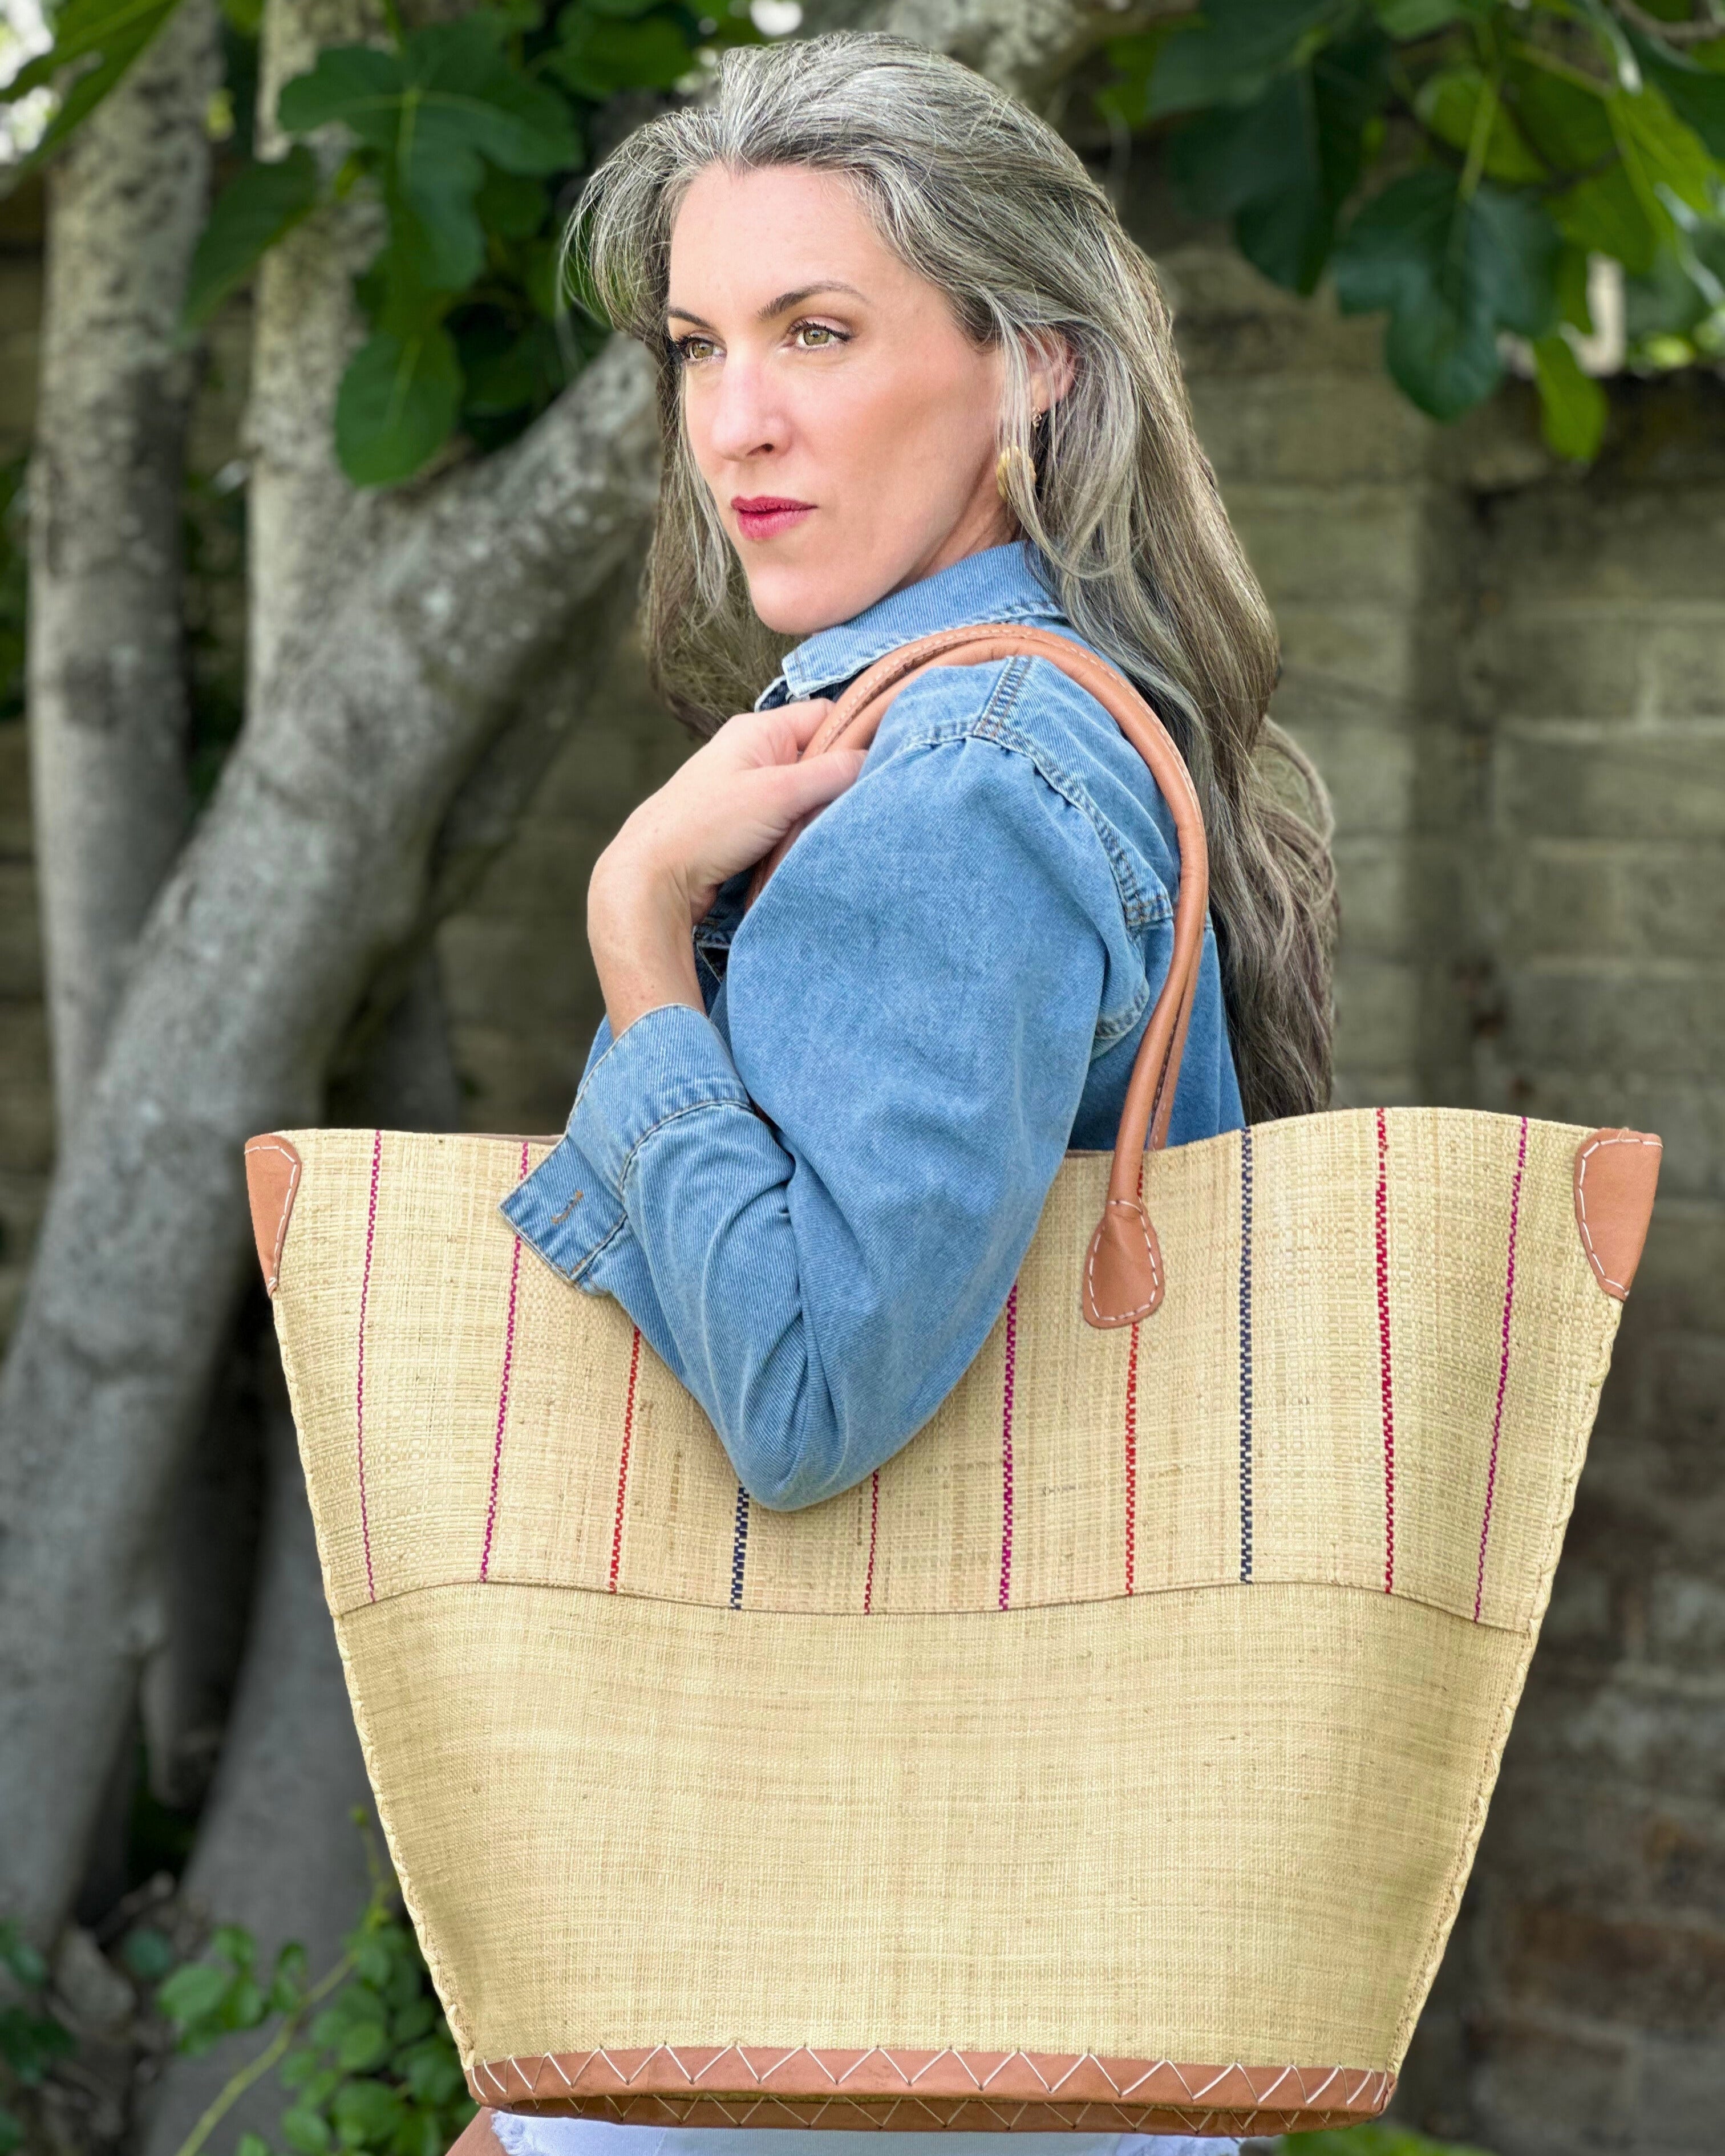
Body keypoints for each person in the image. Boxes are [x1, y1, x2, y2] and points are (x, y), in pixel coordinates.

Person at [455, 29, 1335, 2156]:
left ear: (1031, 364)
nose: (734, 421)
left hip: (864, 1954)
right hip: (1003, 1929)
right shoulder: (1034, 724)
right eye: (699, 345)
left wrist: (637, 931)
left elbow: (805, 1401)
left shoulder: (958, 787)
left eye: (820, 333)